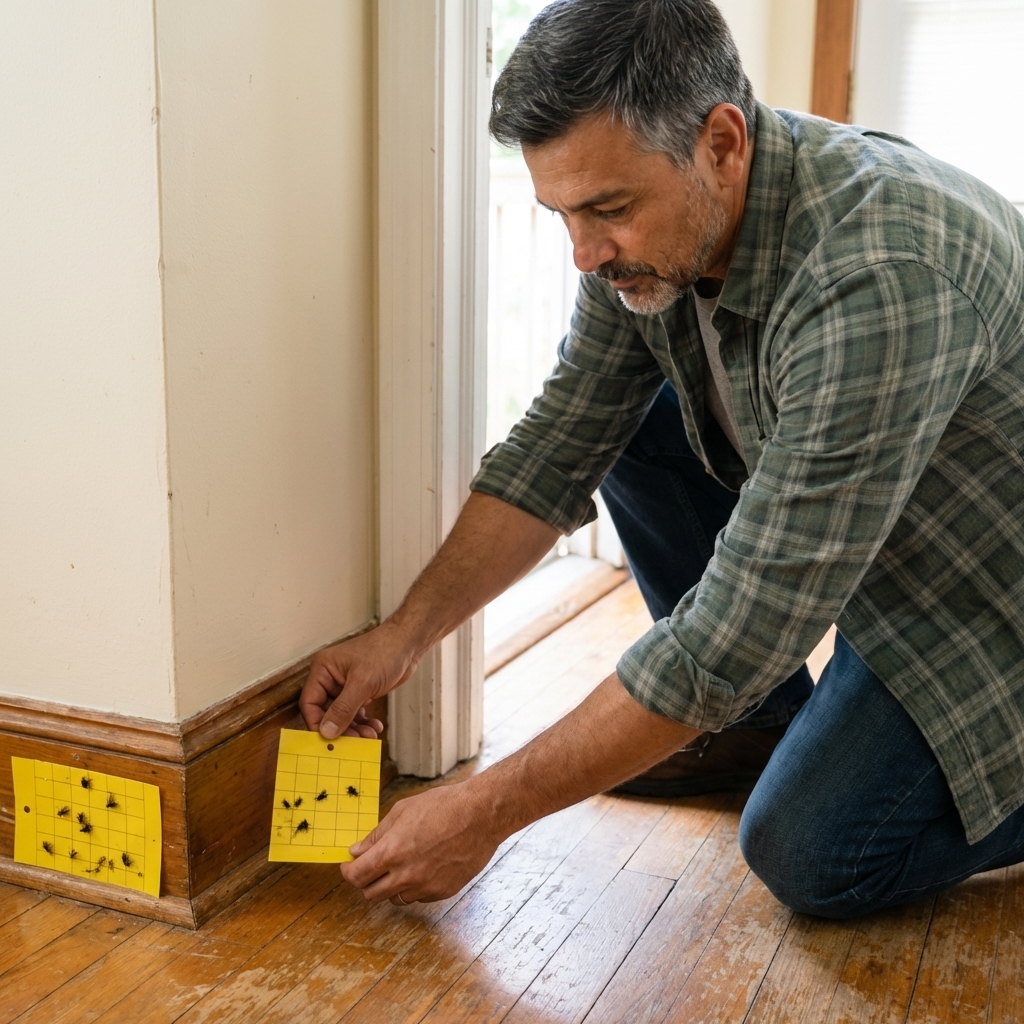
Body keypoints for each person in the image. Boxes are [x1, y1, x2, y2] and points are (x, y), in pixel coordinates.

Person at [300, 0, 1024, 918]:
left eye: (607, 209)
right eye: (562, 213)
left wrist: (486, 810)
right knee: (635, 416)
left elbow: (739, 630)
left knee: (812, 853)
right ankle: (752, 732)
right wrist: (399, 637)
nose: (584, 252)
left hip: (986, 599)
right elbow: (559, 445)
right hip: (882, 539)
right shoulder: (651, 235)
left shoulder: (877, 274)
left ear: (723, 142)